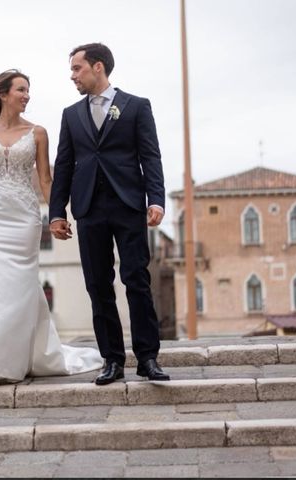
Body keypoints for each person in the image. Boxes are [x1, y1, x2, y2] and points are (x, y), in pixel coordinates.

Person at [0, 69, 103, 384]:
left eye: (28, 90)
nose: (27, 95)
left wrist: (57, 215)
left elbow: (46, 180)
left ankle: (19, 358)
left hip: (24, 218)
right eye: (21, 90)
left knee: (20, 288)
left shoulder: (37, 132)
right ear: (3, 94)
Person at [49, 43, 170, 384]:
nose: (72, 75)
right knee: (98, 285)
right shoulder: (71, 115)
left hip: (129, 204)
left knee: (137, 281)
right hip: (88, 209)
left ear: (98, 67)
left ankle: (148, 358)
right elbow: (64, 165)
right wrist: (57, 211)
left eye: (77, 68)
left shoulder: (136, 106)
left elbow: (151, 156)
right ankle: (112, 360)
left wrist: (156, 199)